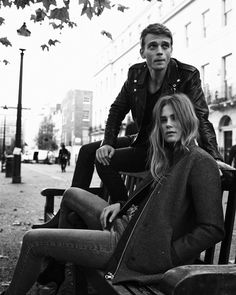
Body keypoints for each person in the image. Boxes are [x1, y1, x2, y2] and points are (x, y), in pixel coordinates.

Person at [1, 93, 225, 295]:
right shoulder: (169, 156)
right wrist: (123, 206)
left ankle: (47, 271)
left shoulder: (199, 161)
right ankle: (59, 263)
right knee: (71, 194)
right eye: (163, 120)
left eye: (174, 118)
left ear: (187, 119)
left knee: (33, 240)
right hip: (126, 224)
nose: (168, 125)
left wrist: (167, 255)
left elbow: (212, 228)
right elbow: (149, 202)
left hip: (128, 246)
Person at [71, 22, 226, 204]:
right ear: (143, 52)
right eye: (153, 46)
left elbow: (201, 118)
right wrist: (108, 143)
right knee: (89, 151)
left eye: (165, 46)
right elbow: (117, 110)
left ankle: (124, 208)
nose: (160, 51)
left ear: (171, 50)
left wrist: (213, 157)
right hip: (142, 139)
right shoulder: (135, 74)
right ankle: (70, 209)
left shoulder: (187, 75)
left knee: (104, 162)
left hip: (164, 147)